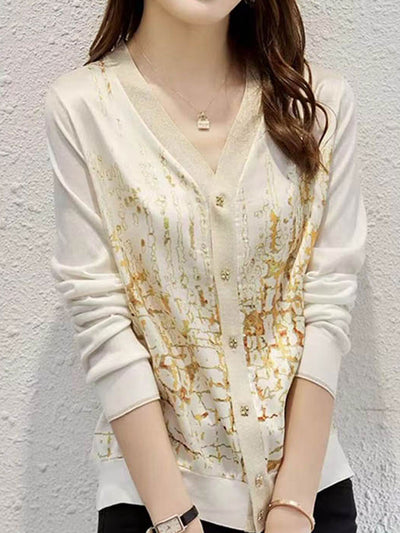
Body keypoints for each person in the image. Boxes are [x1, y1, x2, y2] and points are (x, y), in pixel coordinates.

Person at [44, 1, 367, 532]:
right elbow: (102, 320)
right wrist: (176, 520)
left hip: (311, 496)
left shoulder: (318, 104)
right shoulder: (84, 109)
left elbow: (328, 301)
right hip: (157, 506)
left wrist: (293, 506)